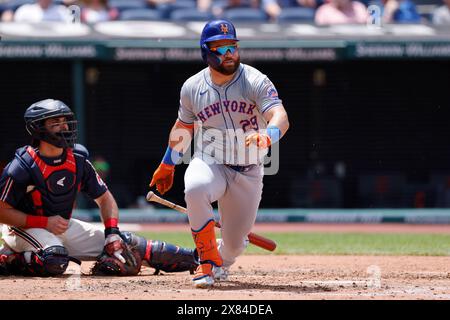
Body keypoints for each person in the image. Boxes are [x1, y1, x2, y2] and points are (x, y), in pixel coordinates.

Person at [149, 19, 289, 288]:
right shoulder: (192, 87)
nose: (229, 54)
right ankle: (206, 261)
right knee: (195, 186)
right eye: (221, 48)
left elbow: (280, 117)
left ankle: (222, 258)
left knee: (235, 245)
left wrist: (268, 135)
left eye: (232, 47)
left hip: (248, 170)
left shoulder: (255, 80)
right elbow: (183, 127)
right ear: (206, 51)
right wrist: (168, 163)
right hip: (210, 161)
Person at [0, 99, 198, 277]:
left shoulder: (77, 159)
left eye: (65, 121)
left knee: (124, 247)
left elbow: (105, 199)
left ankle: (199, 257)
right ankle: (8, 257)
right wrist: (44, 222)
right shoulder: (22, 167)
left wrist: (112, 232)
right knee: (53, 260)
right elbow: (2, 212)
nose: (64, 127)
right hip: (22, 229)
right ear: (38, 128)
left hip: (61, 225)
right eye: (56, 123)